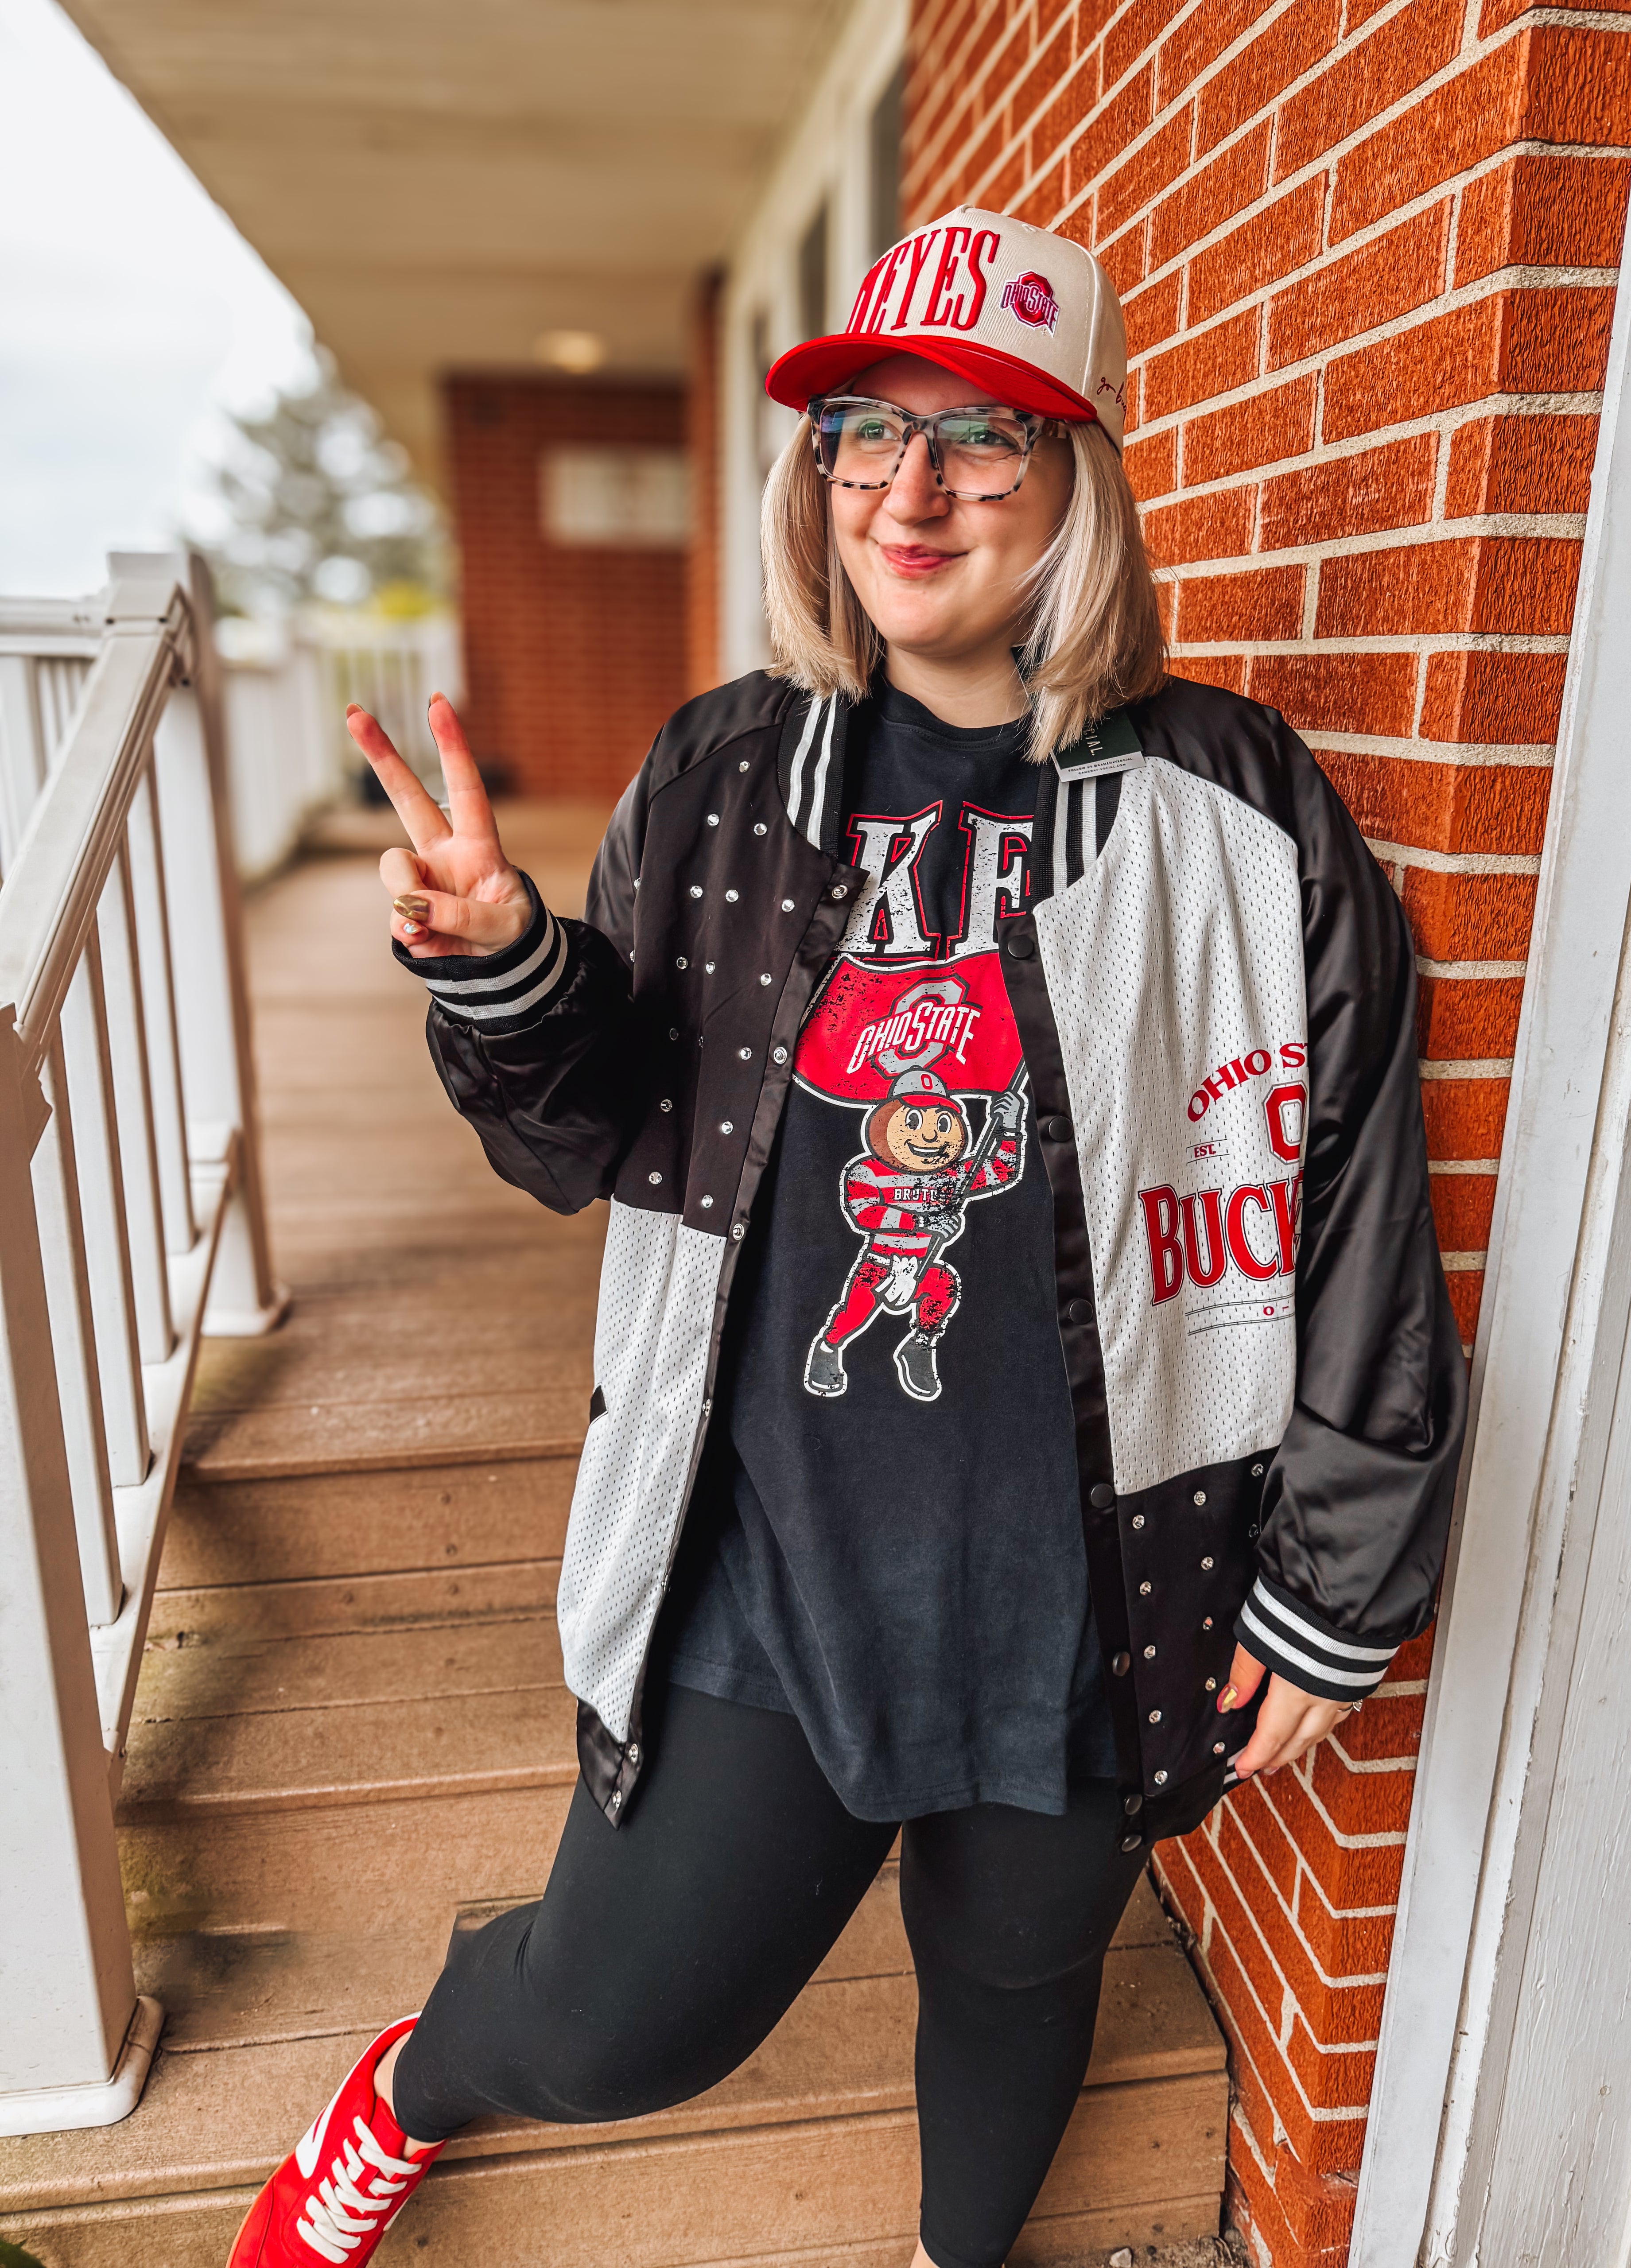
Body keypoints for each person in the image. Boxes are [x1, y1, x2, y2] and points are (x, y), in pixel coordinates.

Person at [228, 207, 1465, 2268]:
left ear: (1080, 484)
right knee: (618, 2022)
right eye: (868, 435)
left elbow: (1354, 1200)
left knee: (1013, 1962)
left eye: (984, 434)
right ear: (819, 483)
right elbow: (589, 1133)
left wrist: (1339, 1577)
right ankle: (413, 2084)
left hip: (1098, 1555)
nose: (913, 488)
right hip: (771, 1547)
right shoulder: (725, 769)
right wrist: (514, 967)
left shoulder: (1231, 797)